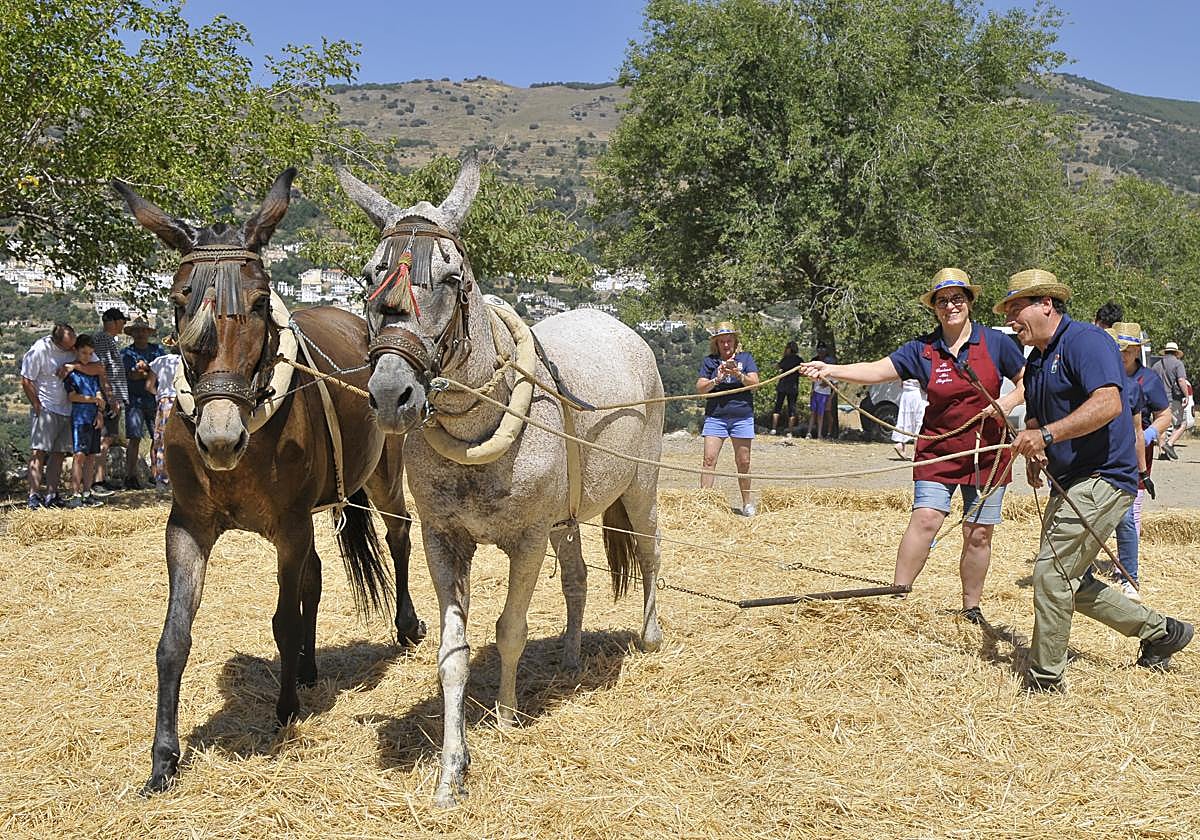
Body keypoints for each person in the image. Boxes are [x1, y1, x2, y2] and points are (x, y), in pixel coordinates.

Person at [1000, 269, 1192, 691]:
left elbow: (1107, 403)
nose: (1012, 319)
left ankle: (1045, 680)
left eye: (1017, 308)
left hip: (1104, 477)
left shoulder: (1086, 341)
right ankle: (1162, 632)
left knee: (1051, 575)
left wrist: (1046, 435)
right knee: (1073, 578)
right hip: (1069, 481)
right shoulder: (1035, 362)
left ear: (1046, 303)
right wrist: (1037, 449)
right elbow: (1035, 414)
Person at [801, 267, 1026, 622]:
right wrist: (831, 370)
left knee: (979, 532)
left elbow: (1028, 380)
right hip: (938, 448)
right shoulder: (921, 350)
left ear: (969, 301)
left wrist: (1009, 402)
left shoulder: (997, 344)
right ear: (934, 307)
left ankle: (971, 609)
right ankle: (896, 598)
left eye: (957, 298)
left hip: (987, 452)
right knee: (925, 519)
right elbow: (876, 370)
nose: (950, 306)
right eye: (942, 301)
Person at [1101, 323, 1171, 602]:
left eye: (1129, 350)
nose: (1124, 354)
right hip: (1107, 449)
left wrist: (1150, 435)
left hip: (1135, 451)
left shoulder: (1147, 380)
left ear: (1136, 350)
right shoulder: (1104, 375)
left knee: (1131, 513)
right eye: (1121, 349)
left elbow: (1164, 415)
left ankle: (1127, 570)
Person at [19, 323, 101, 509]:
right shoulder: (40, 350)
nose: (72, 348)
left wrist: (73, 366)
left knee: (58, 454)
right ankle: (33, 494)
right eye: (68, 346)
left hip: (69, 409)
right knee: (39, 451)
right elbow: (26, 379)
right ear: (56, 342)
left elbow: (98, 368)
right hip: (46, 407)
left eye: (74, 344)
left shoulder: (77, 348)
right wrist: (36, 404)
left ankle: (51, 494)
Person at [697, 321, 761, 516]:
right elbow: (700, 389)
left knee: (743, 461)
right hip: (716, 416)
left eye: (729, 341)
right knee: (709, 459)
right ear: (716, 343)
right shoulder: (710, 362)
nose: (726, 345)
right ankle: (704, 502)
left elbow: (755, 384)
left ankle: (747, 503)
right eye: (722, 341)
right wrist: (717, 379)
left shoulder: (746, 358)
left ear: (735, 341)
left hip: (741, 416)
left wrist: (737, 374)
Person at [62, 334, 107, 509]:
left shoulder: (93, 373)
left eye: (90, 354)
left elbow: (98, 393)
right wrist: (93, 400)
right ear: (76, 351)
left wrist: (100, 412)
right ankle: (75, 494)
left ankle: (87, 492)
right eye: (83, 353)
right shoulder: (72, 374)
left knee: (91, 457)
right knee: (79, 456)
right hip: (80, 419)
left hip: (93, 418)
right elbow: (72, 397)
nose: (87, 357)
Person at [121, 318, 165, 489]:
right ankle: (130, 476)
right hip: (134, 402)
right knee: (134, 439)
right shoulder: (126, 353)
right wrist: (149, 373)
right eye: (137, 331)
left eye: (143, 331)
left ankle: (156, 475)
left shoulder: (157, 351)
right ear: (132, 334)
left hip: (154, 400)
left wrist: (144, 371)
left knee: (157, 438)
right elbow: (131, 376)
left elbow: (162, 373)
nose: (140, 334)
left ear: (148, 333)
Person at [90, 307, 129, 496]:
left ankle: (100, 478)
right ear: (113, 322)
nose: (124, 325)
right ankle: (96, 481)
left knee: (108, 438)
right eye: (122, 321)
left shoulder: (107, 340)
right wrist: (111, 397)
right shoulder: (104, 340)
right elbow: (102, 369)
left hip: (111, 396)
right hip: (108, 398)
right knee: (104, 438)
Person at [148, 343, 182, 492]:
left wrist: (160, 396)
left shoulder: (159, 361)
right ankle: (177, 478)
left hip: (164, 402)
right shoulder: (184, 361)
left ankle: (161, 478)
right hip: (181, 400)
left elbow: (149, 386)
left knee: (161, 440)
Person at [1151, 341, 1190, 460]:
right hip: (1172, 399)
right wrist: (1187, 395)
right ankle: (1170, 443)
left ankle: (1162, 452)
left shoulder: (1156, 365)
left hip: (1157, 398)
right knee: (1182, 424)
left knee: (1161, 425)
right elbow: (1181, 381)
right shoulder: (1178, 364)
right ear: (1176, 353)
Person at [770, 341, 802, 436]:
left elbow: (778, 366)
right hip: (792, 387)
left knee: (778, 407)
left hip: (783, 386)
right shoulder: (799, 360)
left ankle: (774, 429)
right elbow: (802, 371)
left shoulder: (786, 359)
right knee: (791, 409)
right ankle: (790, 431)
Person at [892, 379, 928, 461]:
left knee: (904, 418)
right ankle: (915, 452)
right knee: (919, 421)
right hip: (918, 393)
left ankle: (900, 443)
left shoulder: (906, 367)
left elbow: (900, 383)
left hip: (906, 394)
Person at [805, 344, 835, 440]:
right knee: (813, 413)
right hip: (816, 393)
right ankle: (809, 433)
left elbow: (835, 386)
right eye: (819, 349)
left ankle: (821, 434)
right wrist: (812, 392)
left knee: (822, 414)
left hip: (825, 395)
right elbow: (813, 382)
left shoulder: (831, 372)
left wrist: (830, 398)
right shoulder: (816, 370)